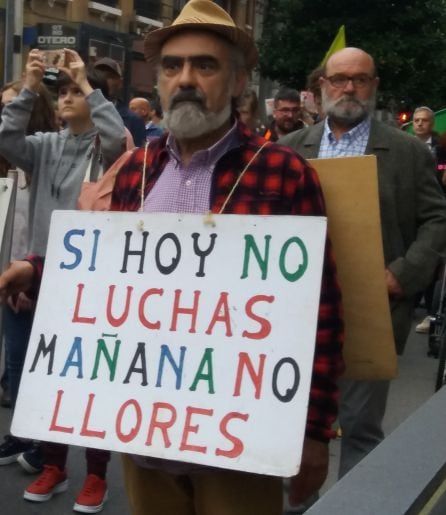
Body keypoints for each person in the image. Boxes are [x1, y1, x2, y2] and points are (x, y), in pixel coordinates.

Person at [0, 2, 344, 514]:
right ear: (158, 80)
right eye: (172, 66)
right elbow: (109, 272)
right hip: (143, 438)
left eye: (204, 65)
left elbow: (320, 308)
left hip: (238, 442)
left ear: (237, 80)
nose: (185, 78)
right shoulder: (135, 169)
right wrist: (42, 269)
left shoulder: (282, 171)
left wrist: (315, 433)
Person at [280, 47, 446, 479]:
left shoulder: (409, 152)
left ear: (374, 85)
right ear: (321, 86)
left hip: (372, 310)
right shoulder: (289, 149)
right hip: (296, 313)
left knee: (359, 427)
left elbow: (437, 220)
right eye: (339, 79)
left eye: (360, 79)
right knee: (292, 426)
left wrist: (402, 275)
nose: (349, 87)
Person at [0, 48, 126, 513]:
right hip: (37, 280)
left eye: (77, 92)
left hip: (91, 287)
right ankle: (53, 463)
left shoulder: (106, 149)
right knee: (44, 380)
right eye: (65, 92)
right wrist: (31, 85)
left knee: (92, 383)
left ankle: (96, 475)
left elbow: (118, 139)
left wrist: (88, 84)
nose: (67, 98)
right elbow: (5, 137)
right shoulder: (44, 146)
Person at [0, 78, 57, 469]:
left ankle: (46, 445)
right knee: (18, 362)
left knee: (48, 365)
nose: (6, 115)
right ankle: (22, 434)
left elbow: (37, 225)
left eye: (15, 106)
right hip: (11, 276)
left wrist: (27, 273)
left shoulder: (46, 159)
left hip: (42, 275)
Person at [93, 57, 146, 146]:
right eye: (98, 75)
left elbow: (137, 156)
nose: (103, 80)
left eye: (109, 76)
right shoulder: (79, 114)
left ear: (120, 82)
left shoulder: (133, 120)